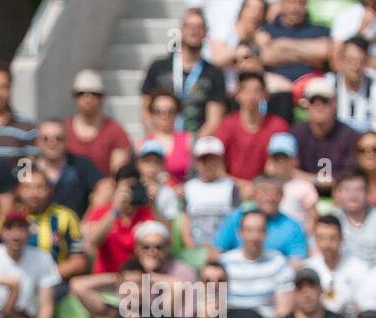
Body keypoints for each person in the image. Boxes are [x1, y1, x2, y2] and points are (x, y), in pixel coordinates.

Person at [141, 7, 226, 138]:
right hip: (160, 144)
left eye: (199, 27)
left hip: (195, 145)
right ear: (181, 30)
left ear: (205, 33)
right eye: (190, 26)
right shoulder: (158, 67)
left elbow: (214, 120)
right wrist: (159, 139)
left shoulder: (214, 73)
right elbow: (145, 110)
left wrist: (191, 147)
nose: (194, 31)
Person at [218, 209, 295, 318]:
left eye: (260, 230)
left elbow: (284, 310)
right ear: (240, 232)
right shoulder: (224, 263)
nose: (254, 237)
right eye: (249, 230)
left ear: (266, 232)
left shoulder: (278, 263)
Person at [215, 71, 288, 185]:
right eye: (246, 91)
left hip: (268, 188)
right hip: (233, 187)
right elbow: (217, 164)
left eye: (256, 91)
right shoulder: (227, 125)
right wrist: (242, 186)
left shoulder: (277, 125)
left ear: (265, 94)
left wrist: (259, 187)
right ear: (237, 94)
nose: (251, 96)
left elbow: (282, 165)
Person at [65, 69, 131, 176]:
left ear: (102, 97)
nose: (88, 98)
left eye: (94, 94)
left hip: (106, 189)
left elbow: (118, 173)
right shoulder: (62, 130)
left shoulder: (115, 131)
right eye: (81, 94)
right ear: (75, 97)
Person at [32, 119, 101, 218]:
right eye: (46, 138)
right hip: (33, 230)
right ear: (37, 142)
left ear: (66, 140)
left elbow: (105, 187)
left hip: (75, 230)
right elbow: (14, 196)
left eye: (58, 138)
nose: (52, 143)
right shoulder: (26, 166)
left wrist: (89, 220)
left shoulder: (82, 164)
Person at [305, 213, 365, 316]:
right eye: (321, 238)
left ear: (342, 238)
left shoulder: (359, 269)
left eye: (332, 238)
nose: (326, 244)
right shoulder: (308, 268)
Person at [0, 63, 36, 166]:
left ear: (10, 89)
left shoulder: (27, 126)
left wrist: (22, 181)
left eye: (3, 87)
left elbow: (30, 163)